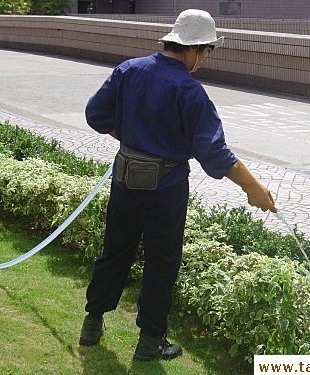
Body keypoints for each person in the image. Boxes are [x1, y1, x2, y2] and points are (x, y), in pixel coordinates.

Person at [79, 9, 277, 361]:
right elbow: (214, 152)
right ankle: (150, 341)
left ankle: (92, 323)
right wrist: (253, 187)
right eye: (208, 51)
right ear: (196, 49)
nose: (205, 59)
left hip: (125, 178)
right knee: (161, 261)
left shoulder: (129, 70)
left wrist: (131, 141)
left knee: (115, 250)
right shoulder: (189, 91)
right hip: (165, 188)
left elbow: (96, 115)